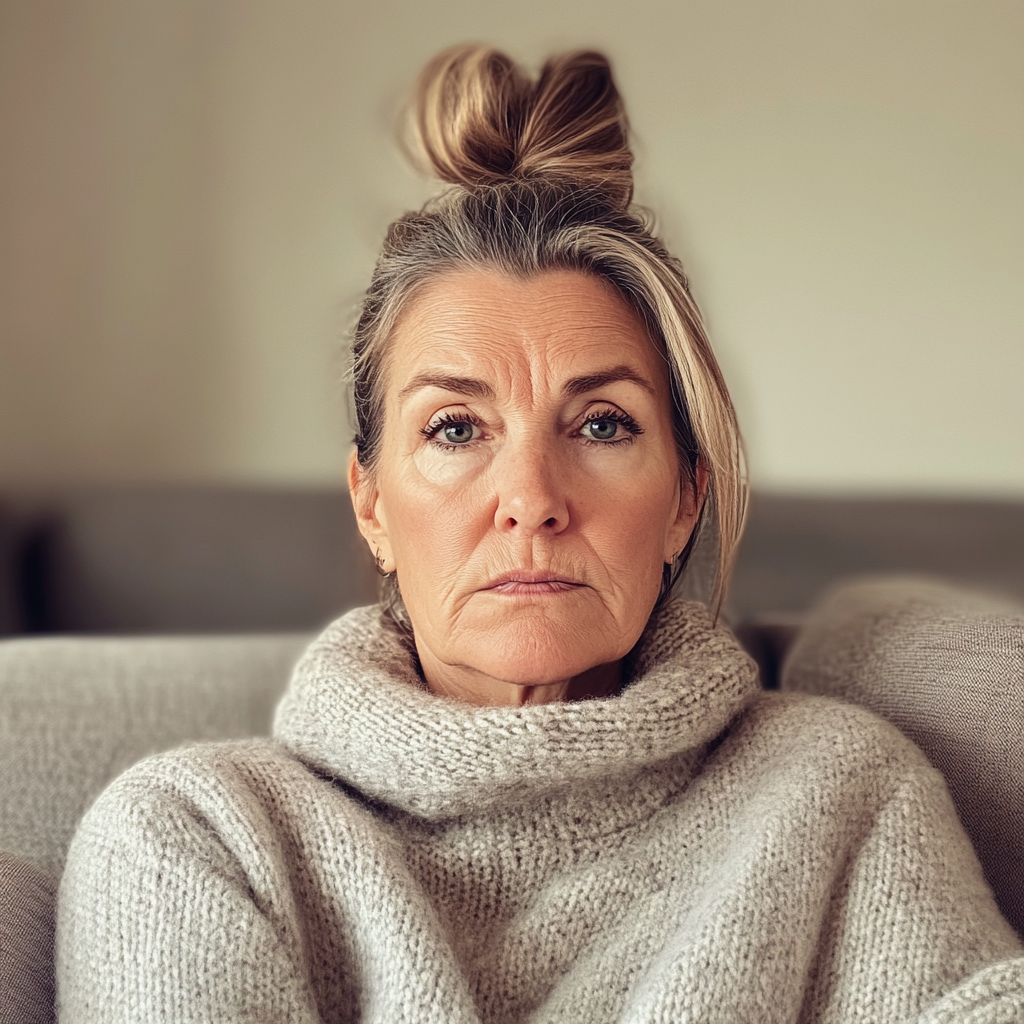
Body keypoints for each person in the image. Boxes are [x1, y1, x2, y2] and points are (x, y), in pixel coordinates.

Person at [57, 46, 1022, 1023]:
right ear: (371, 503)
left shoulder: (844, 794)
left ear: (686, 497)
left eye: (602, 425)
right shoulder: (194, 837)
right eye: (455, 429)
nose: (531, 498)